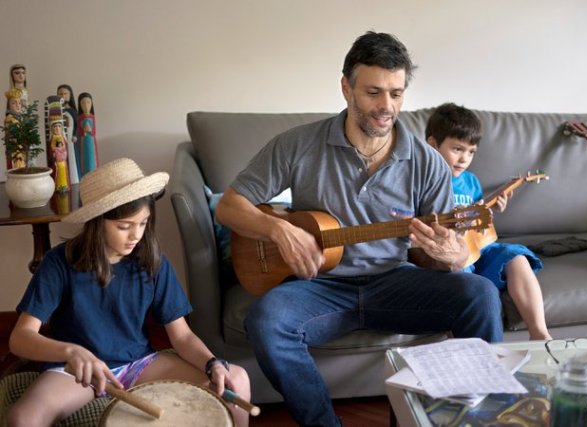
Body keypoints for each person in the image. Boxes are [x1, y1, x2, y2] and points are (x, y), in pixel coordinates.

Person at [215, 31, 502, 426]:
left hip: (394, 280)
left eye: (397, 94)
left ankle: (471, 418)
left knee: (481, 294)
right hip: (319, 286)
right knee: (266, 320)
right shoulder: (297, 144)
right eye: (373, 92)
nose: (387, 106)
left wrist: (448, 257)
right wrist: (277, 230)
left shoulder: (428, 163)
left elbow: (425, 256)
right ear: (346, 88)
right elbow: (229, 206)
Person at [7, 158, 250, 427]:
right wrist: (71, 352)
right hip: (79, 372)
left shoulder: (152, 260)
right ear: (98, 222)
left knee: (235, 380)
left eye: (143, 223)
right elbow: (20, 339)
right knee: (22, 418)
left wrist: (211, 363)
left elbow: (181, 336)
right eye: (124, 226)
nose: (136, 235)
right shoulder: (58, 263)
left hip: (140, 364)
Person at [426, 102, 552, 340]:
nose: (464, 159)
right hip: (451, 257)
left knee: (517, 257)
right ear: (433, 144)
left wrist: (490, 211)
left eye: (471, 152)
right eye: (457, 149)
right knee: (462, 277)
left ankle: (540, 333)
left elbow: (479, 225)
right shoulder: (425, 180)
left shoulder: (471, 181)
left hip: (478, 249)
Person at [77, 92, 98, 177]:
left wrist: (90, 130)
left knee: (92, 158)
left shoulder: (92, 116)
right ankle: (85, 174)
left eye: (88, 102)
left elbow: (94, 130)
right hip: (83, 140)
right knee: (84, 158)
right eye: (83, 102)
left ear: (91, 103)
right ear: (80, 105)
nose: (86, 105)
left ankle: (94, 172)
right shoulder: (80, 118)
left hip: (91, 140)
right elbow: (78, 129)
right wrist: (83, 131)